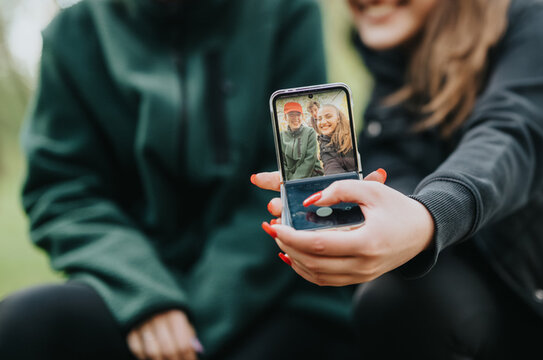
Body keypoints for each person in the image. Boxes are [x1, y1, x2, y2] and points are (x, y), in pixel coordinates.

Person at [253, 0, 543, 359]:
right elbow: (399, 197)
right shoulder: (388, 107)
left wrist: (426, 216)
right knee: (392, 298)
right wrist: (352, 220)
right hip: (525, 324)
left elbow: (510, 139)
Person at [0, 0, 359, 359]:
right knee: (22, 323)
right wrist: (147, 296)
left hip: (272, 289)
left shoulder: (286, 11)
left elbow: (300, 176)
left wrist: (198, 314)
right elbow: (63, 190)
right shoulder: (72, 35)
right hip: (131, 291)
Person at [281, 102, 323, 180]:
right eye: (291, 115)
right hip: (290, 179)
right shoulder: (281, 136)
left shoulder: (310, 132)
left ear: (302, 116)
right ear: (285, 118)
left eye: (298, 114)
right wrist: (290, 179)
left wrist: (295, 181)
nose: (296, 118)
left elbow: (310, 160)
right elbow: (282, 162)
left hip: (313, 177)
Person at [317, 104, 357, 175]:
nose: (323, 122)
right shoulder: (324, 143)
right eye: (319, 119)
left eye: (328, 116)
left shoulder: (353, 133)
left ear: (338, 119)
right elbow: (333, 172)